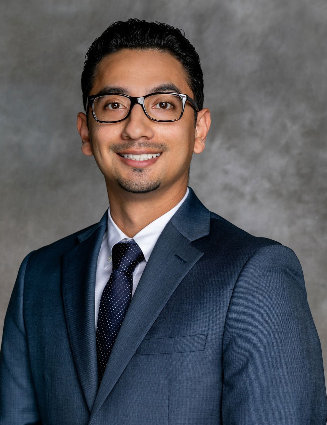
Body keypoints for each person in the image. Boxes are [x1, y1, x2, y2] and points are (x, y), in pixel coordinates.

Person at [0, 18, 326, 425]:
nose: (136, 128)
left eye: (164, 105)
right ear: (86, 132)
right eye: (113, 105)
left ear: (199, 129)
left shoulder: (257, 273)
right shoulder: (39, 276)